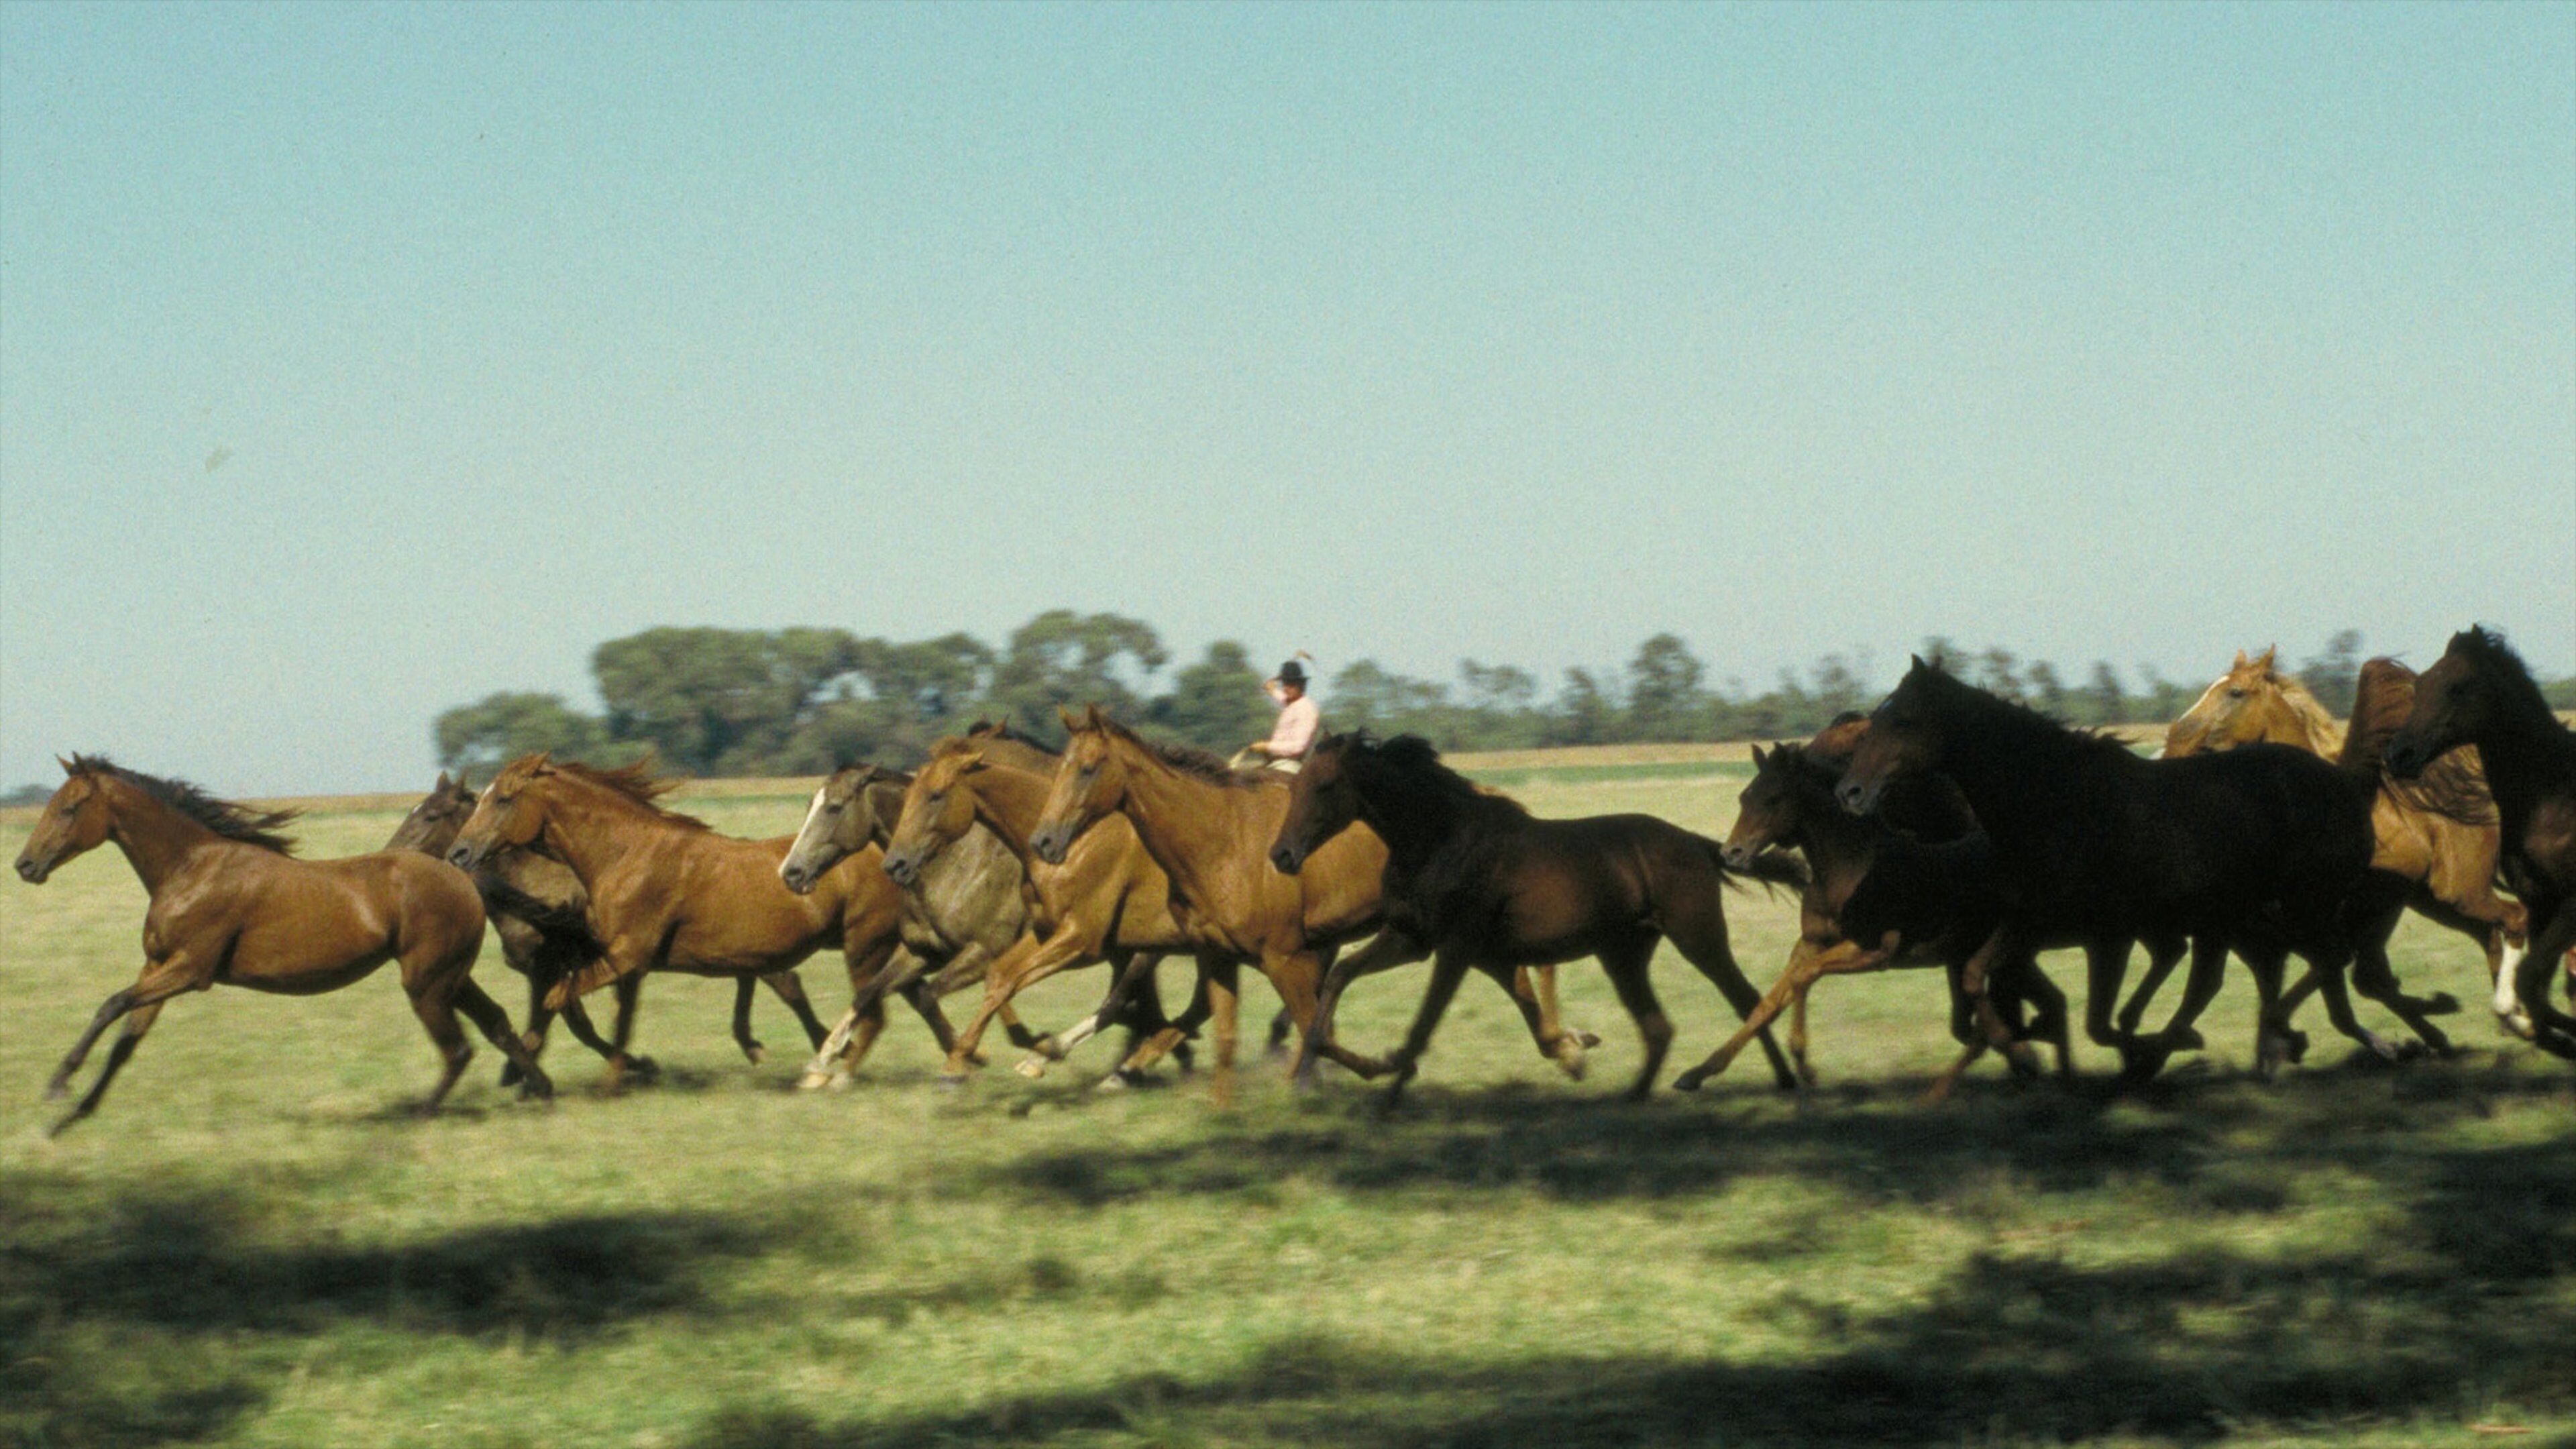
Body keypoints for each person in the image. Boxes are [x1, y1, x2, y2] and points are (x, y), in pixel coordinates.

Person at [1245, 657, 1322, 771]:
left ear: (1300, 685)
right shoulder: (1292, 703)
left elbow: (1298, 747)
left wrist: (1267, 747)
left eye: (1291, 684)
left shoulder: (1307, 709)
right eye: (1285, 684)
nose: (1286, 688)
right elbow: (1282, 698)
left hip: (1290, 766)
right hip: (1276, 763)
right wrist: (1271, 690)